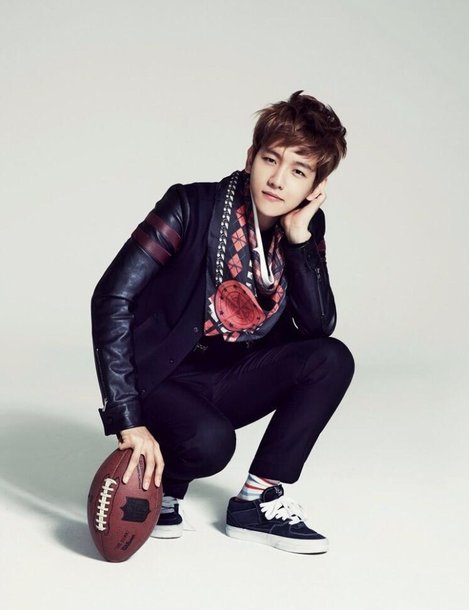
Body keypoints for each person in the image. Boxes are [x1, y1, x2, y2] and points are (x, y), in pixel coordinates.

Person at [91, 91, 355, 554]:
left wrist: (298, 240)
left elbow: (317, 326)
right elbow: (112, 296)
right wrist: (127, 419)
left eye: (298, 171)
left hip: (228, 375)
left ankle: (256, 501)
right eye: (271, 160)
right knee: (211, 443)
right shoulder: (189, 206)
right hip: (162, 376)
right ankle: (167, 482)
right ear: (251, 157)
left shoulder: (305, 226)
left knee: (331, 359)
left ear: (316, 185)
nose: (278, 180)